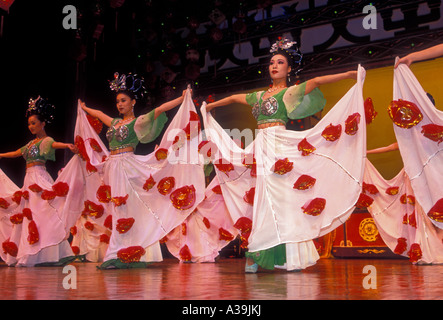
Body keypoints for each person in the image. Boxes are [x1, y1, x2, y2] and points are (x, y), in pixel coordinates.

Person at [202, 38, 362, 273]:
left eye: (280, 62)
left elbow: (316, 81)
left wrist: (349, 74)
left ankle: (284, 254)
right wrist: (210, 107)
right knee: (264, 199)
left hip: (280, 146)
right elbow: (236, 98)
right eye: (271, 63)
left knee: (283, 199)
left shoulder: (289, 93)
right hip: (262, 146)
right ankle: (260, 250)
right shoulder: (258, 96)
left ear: (288, 68)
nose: (274, 66)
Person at [78, 73, 205, 268]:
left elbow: (160, 108)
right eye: (118, 101)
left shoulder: (137, 122)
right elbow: (98, 114)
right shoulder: (113, 123)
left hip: (127, 166)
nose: (120, 104)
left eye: (123, 100)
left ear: (133, 102)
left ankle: (119, 253)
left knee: (124, 208)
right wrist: (85, 108)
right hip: (112, 166)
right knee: (119, 208)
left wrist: (182, 98)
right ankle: (127, 251)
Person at [0, 96, 77, 267]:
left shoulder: (46, 140)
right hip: (29, 180)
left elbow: (55, 144)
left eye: (34, 123)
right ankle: (35, 254)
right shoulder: (30, 144)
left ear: (43, 123)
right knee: (31, 215)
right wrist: (2, 155)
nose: (31, 126)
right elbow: (16, 153)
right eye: (29, 124)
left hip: (39, 177)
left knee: (44, 213)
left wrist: (67, 146)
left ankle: (51, 253)